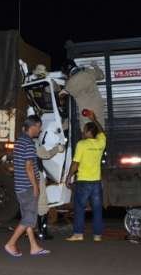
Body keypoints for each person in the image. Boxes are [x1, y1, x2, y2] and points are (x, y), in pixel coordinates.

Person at [4, 115, 51, 257]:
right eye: (39, 126)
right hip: (27, 187)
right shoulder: (29, 143)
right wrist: (36, 186)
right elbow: (29, 167)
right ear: (34, 126)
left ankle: (34, 247)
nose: (40, 129)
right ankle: (11, 243)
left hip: (20, 185)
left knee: (27, 217)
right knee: (29, 218)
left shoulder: (19, 141)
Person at [65, 110, 106, 242]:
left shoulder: (81, 144)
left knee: (80, 208)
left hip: (83, 181)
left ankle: (78, 234)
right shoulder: (101, 143)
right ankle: (97, 235)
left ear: (89, 132)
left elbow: (75, 163)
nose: (83, 132)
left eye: (84, 130)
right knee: (97, 209)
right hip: (96, 182)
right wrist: (94, 119)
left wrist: (68, 176)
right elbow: (102, 133)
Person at [59, 59, 105, 131]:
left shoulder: (70, 83)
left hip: (86, 113)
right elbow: (101, 76)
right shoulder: (88, 72)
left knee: (88, 135)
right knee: (100, 132)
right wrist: (95, 66)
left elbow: (62, 95)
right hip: (98, 108)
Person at [36, 143, 65, 240]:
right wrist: (57, 148)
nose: (39, 128)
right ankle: (42, 233)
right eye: (38, 126)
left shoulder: (23, 142)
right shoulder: (34, 142)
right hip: (36, 175)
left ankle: (33, 231)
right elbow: (46, 155)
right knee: (42, 205)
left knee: (33, 205)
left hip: (28, 177)